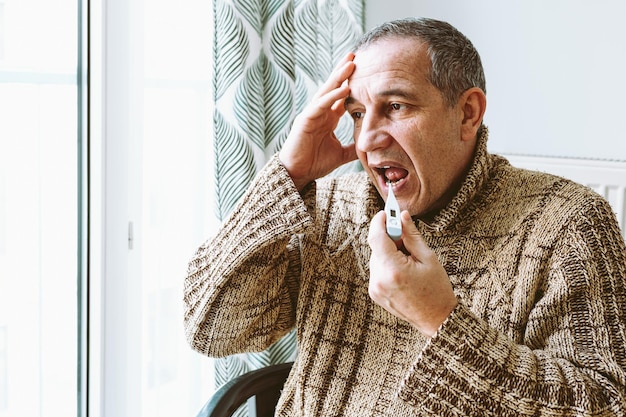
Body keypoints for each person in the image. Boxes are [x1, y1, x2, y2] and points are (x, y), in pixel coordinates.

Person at [184, 17, 626, 416]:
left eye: (396, 107)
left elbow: (606, 404)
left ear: (467, 113)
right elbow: (212, 330)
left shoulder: (569, 222)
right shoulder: (330, 205)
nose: (368, 138)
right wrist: (286, 175)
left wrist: (441, 320)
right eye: (357, 113)